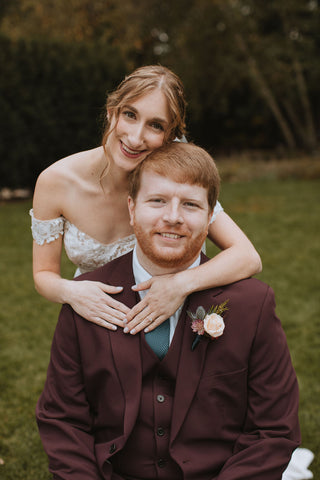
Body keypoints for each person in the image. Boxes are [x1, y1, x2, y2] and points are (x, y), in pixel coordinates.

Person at [36, 142, 300, 479]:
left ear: (209, 216)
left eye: (190, 204)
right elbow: (63, 421)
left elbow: (273, 431)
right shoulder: (87, 299)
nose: (172, 217)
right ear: (131, 209)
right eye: (157, 201)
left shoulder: (252, 305)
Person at [30, 65, 262, 335]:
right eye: (130, 114)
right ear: (111, 111)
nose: (135, 137)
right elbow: (43, 274)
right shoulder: (55, 182)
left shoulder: (175, 183)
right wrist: (72, 291)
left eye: (155, 125)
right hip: (96, 320)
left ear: (170, 136)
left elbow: (248, 257)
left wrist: (180, 285)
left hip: (171, 317)